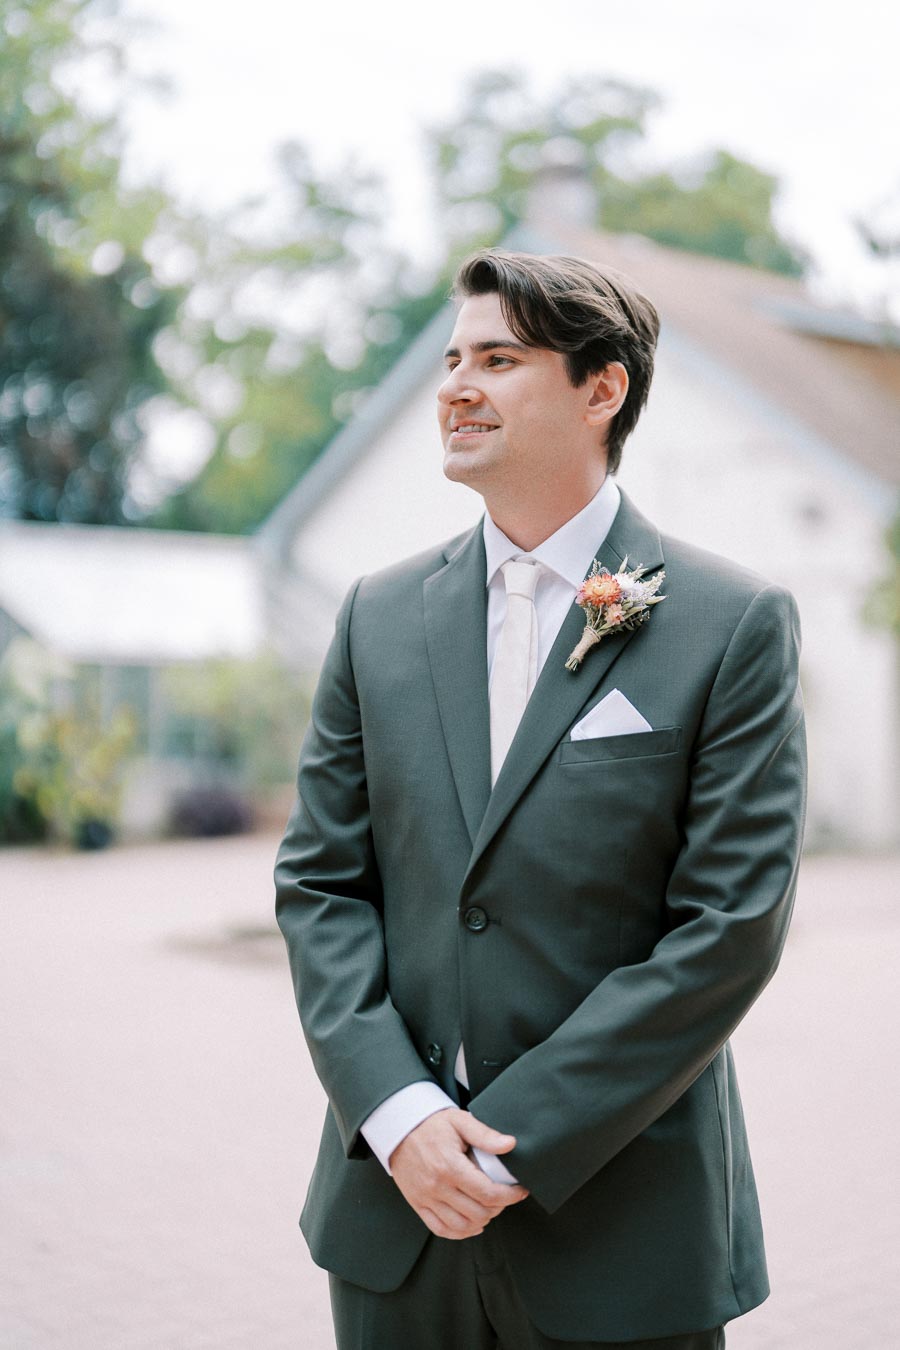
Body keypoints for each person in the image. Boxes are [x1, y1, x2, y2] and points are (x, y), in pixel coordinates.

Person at [275, 248, 807, 1350]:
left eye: (501, 359)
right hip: (395, 1221)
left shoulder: (729, 622)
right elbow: (321, 884)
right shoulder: (375, 617)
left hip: (622, 1227)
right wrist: (404, 1117)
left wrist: (501, 1137)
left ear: (602, 389)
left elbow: (727, 928)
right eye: (454, 358)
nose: (457, 385)